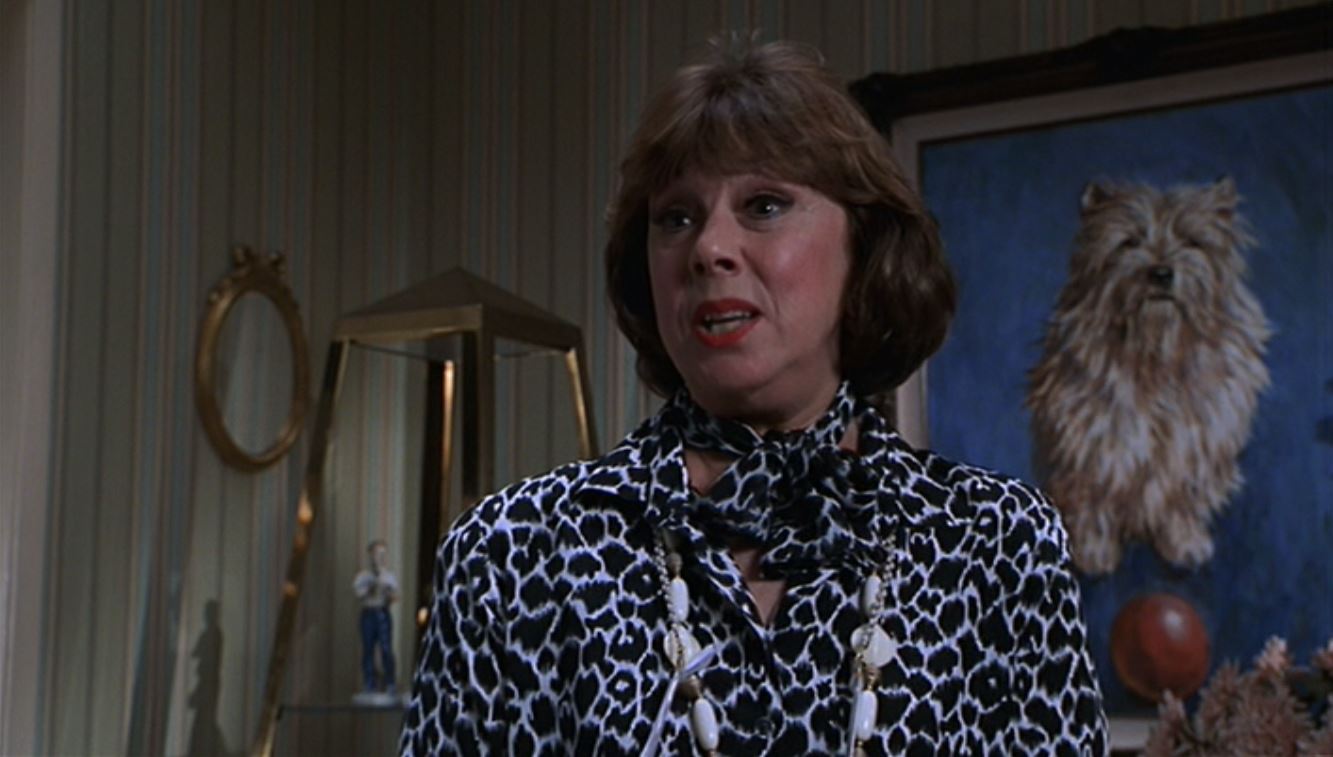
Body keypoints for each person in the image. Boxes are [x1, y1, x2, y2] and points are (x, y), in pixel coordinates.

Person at [401, 38, 1107, 755]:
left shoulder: (995, 542)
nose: (709, 248)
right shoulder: (513, 553)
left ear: (863, 247)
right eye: (676, 217)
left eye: (763, 205)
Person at [353, 539, 399, 701]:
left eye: (382, 555)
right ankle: (369, 683)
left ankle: (390, 682)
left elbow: (395, 596)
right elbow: (359, 594)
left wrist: (387, 592)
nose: (379, 558)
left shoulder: (389, 577)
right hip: (368, 613)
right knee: (368, 649)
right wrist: (371, 586)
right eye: (376, 554)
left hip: (382, 612)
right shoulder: (363, 577)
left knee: (386, 648)